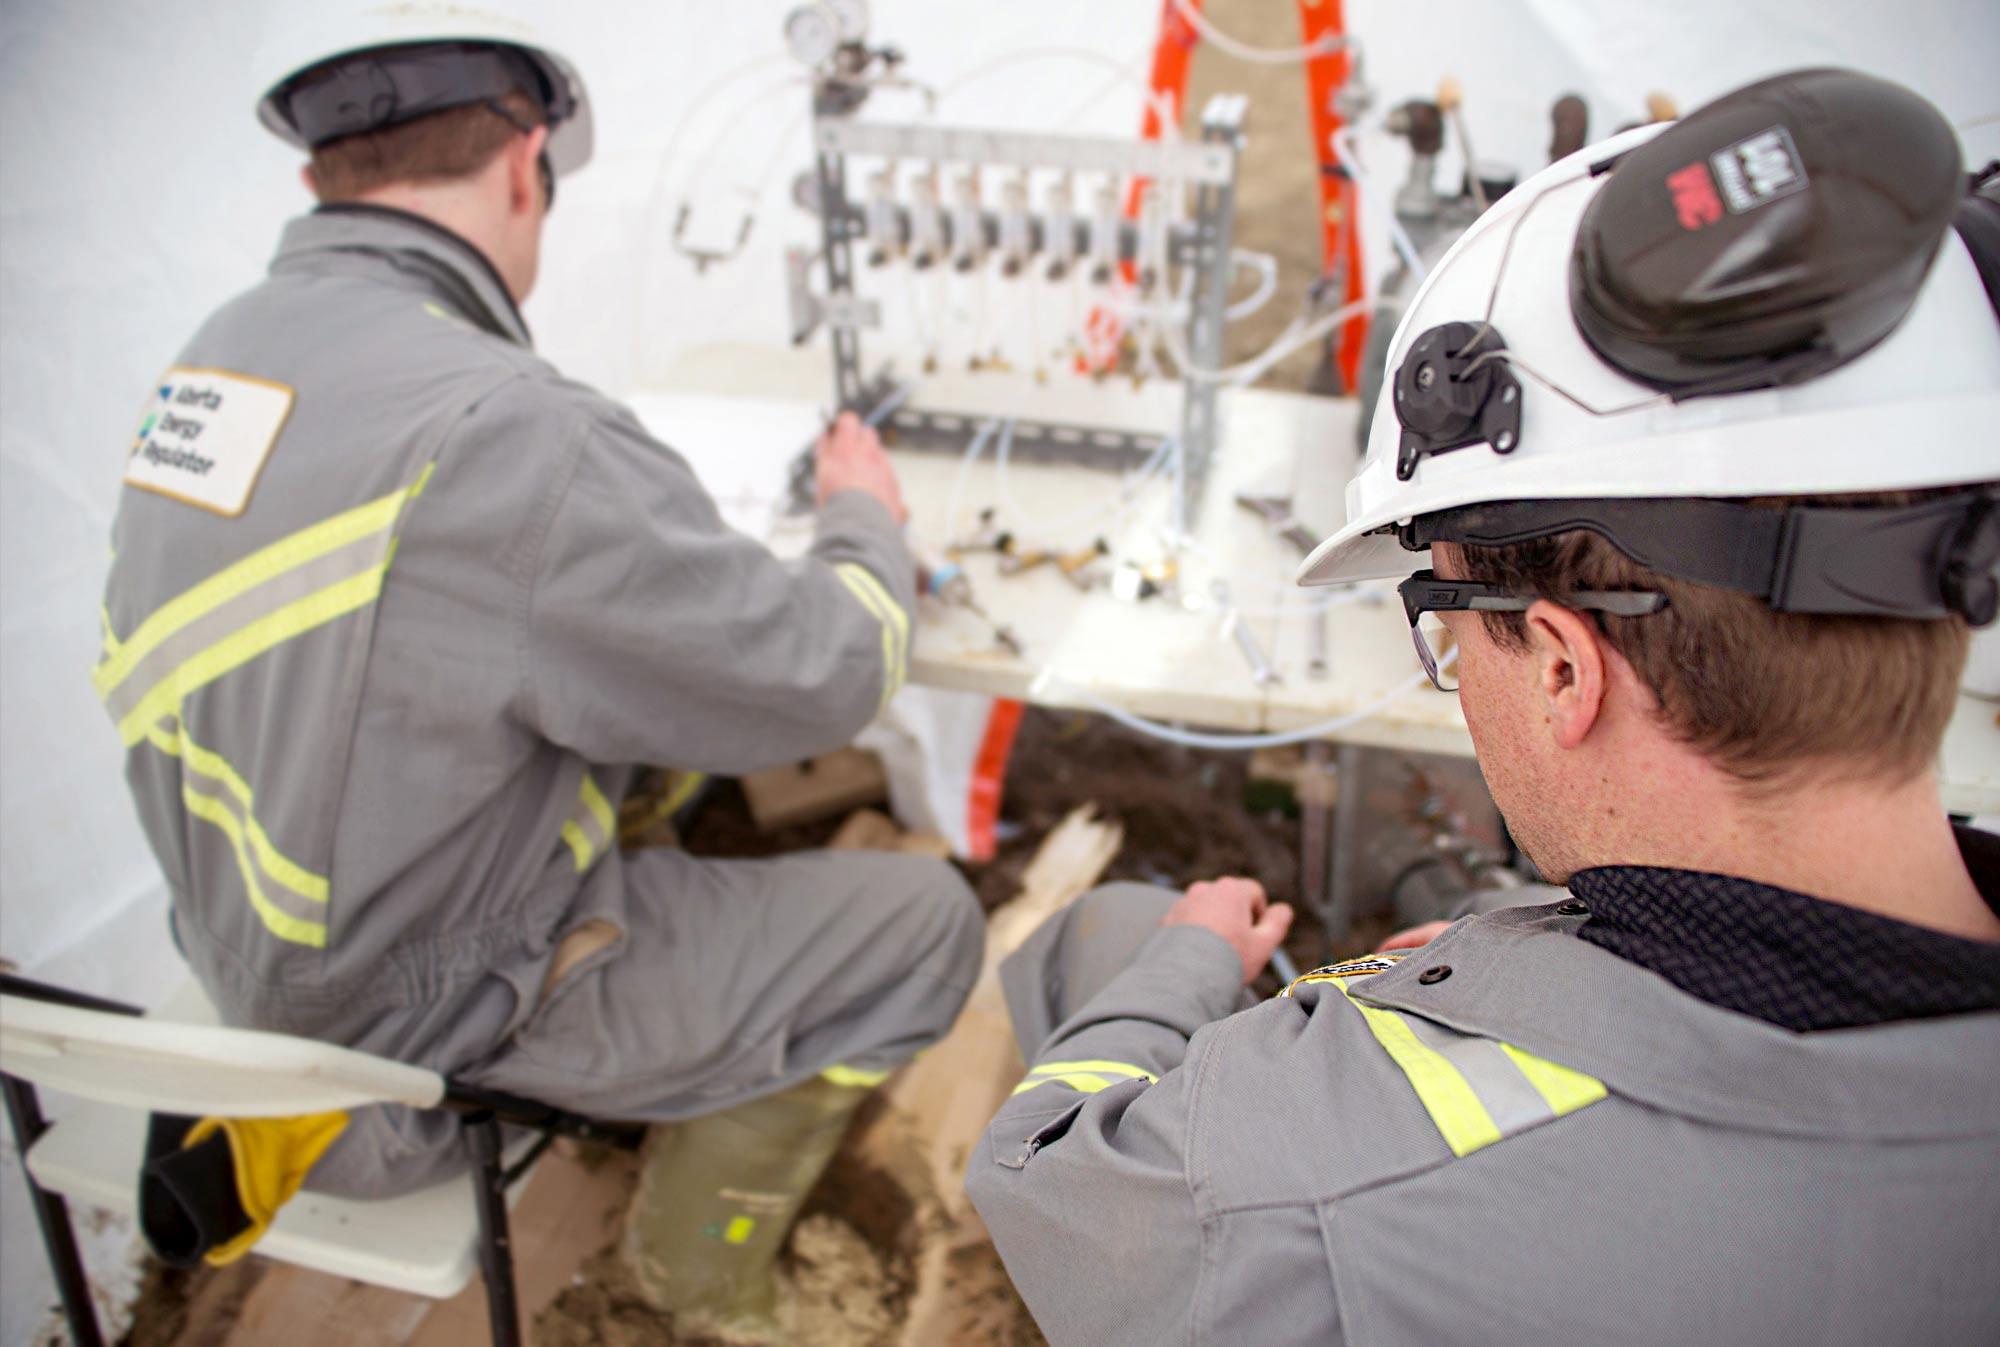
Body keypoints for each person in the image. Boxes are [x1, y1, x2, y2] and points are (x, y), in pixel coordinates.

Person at [967, 68, 2000, 1346]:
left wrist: (1186, 955)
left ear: (1565, 667)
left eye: (1448, 639)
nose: (1458, 688)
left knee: (1114, 928)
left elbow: (1041, 1174)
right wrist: (1530, 959)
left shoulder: (1303, 1179)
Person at [96, 11, 981, 1329]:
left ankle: (385, 1098)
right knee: (931, 928)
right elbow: (820, 670)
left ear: (316, 185)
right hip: (423, 1018)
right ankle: (700, 1267)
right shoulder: (508, 428)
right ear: (524, 162)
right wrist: (865, 520)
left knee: (658, 751)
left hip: (244, 943)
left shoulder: (218, 355)